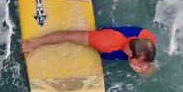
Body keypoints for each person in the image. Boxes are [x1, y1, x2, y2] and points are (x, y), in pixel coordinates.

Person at [30, 25, 158, 76]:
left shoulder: (150, 42)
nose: (143, 66)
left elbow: (148, 69)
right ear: (130, 53)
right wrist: (36, 43)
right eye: (140, 63)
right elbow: (67, 35)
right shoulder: (105, 42)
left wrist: (142, 71)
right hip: (109, 41)